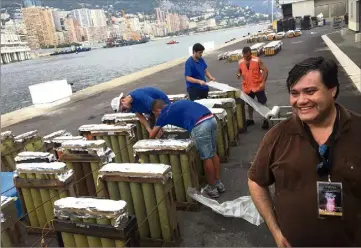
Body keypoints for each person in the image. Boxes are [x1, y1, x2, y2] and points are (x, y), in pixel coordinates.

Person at [248, 57, 361, 247]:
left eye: (310, 91)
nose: (301, 101)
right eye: (294, 93)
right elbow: (256, 181)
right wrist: (275, 230)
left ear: (332, 90)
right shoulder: (277, 136)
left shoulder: (358, 129)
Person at [150, 99, 225, 198]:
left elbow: (152, 135)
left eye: (155, 114)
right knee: (212, 152)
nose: (157, 116)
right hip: (211, 119)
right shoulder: (175, 105)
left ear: (157, 110)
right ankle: (218, 183)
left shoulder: (164, 113)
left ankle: (212, 188)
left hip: (200, 125)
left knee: (206, 157)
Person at [237, 46, 269, 129]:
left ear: (250, 54)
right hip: (247, 87)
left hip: (258, 86)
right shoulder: (240, 61)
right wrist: (238, 74)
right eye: (244, 56)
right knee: (249, 104)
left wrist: (263, 82)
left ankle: (265, 120)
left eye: (247, 56)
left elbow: (265, 70)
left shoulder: (257, 60)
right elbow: (240, 70)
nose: (246, 58)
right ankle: (251, 119)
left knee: (262, 102)